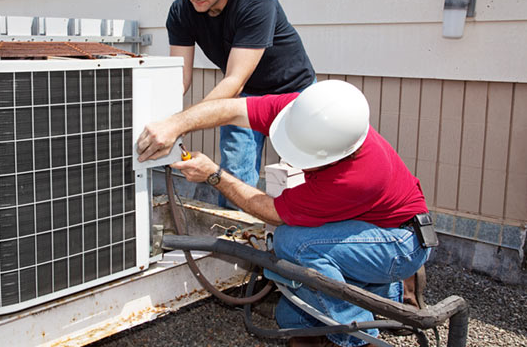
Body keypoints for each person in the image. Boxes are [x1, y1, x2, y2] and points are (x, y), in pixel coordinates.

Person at [137, 80, 432, 347]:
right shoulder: (305, 112)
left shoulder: (355, 177)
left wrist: (214, 175)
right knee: (290, 319)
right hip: (369, 226)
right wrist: (174, 125)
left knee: (293, 243)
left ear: (336, 156)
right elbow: (228, 109)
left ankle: (357, 337)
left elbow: (272, 212)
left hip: (399, 243)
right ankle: (393, 296)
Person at [166, 0, 315, 207]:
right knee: (234, 173)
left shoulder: (255, 0)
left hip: (294, 93)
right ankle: (236, 239)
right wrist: (163, 118)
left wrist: (181, 123)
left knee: (304, 173)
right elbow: (180, 77)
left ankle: (299, 237)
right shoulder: (181, 11)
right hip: (246, 96)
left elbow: (235, 79)